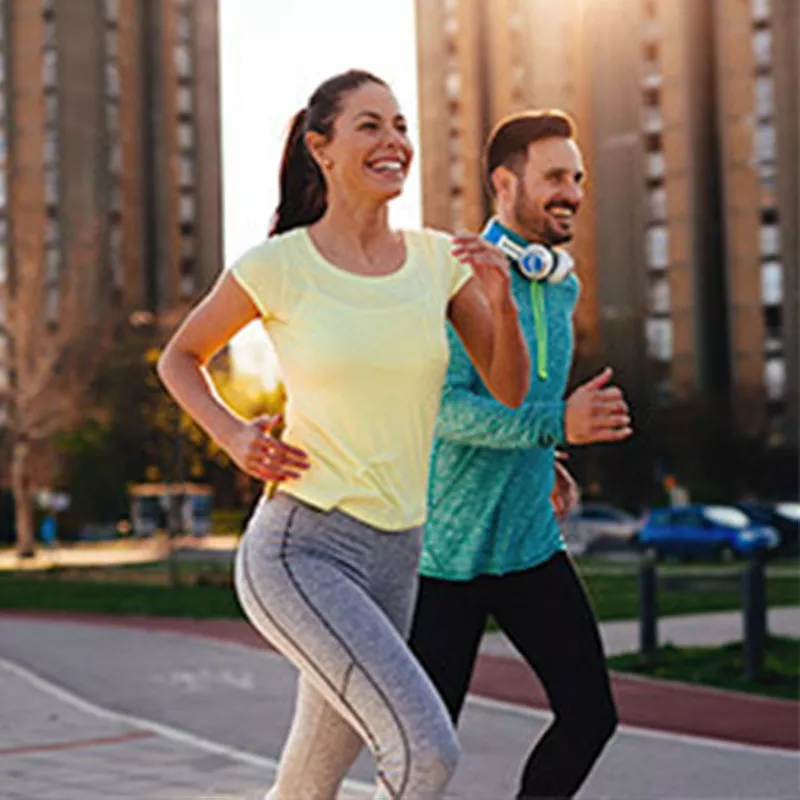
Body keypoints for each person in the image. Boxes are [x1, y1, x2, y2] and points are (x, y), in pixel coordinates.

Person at [157, 69, 530, 800]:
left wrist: (503, 305)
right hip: (303, 549)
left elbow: (508, 389)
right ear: (320, 148)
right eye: (370, 125)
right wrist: (234, 437)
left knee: (307, 785)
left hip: (397, 554)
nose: (394, 141)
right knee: (425, 753)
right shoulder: (279, 265)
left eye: (400, 126)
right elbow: (181, 357)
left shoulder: (436, 264)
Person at [408, 110, 633, 799]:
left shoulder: (563, 282)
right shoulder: (455, 277)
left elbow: (524, 397)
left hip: (530, 544)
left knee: (591, 715)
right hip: (446, 556)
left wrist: (548, 456)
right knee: (426, 751)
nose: (573, 191)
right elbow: (443, 411)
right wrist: (552, 425)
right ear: (505, 183)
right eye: (556, 177)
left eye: (578, 177)